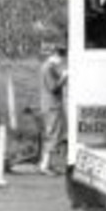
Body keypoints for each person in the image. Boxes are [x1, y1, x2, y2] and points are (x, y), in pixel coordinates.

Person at [37, 42, 68, 176]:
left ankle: (47, 164)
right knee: (53, 134)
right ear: (56, 55)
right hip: (52, 105)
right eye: (61, 57)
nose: (62, 60)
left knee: (53, 133)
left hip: (50, 104)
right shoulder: (49, 68)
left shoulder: (47, 67)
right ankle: (45, 165)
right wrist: (64, 77)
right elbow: (53, 88)